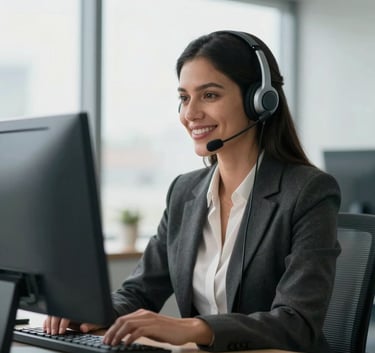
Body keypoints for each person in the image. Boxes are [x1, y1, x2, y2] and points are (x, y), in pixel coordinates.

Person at [44, 30, 341, 353]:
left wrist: (192, 328)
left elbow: (296, 322)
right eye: (184, 98)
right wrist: (87, 314)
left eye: (209, 95)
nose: (190, 113)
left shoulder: (308, 192)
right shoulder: (184, 192)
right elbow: (139, 292)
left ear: (259, 100)